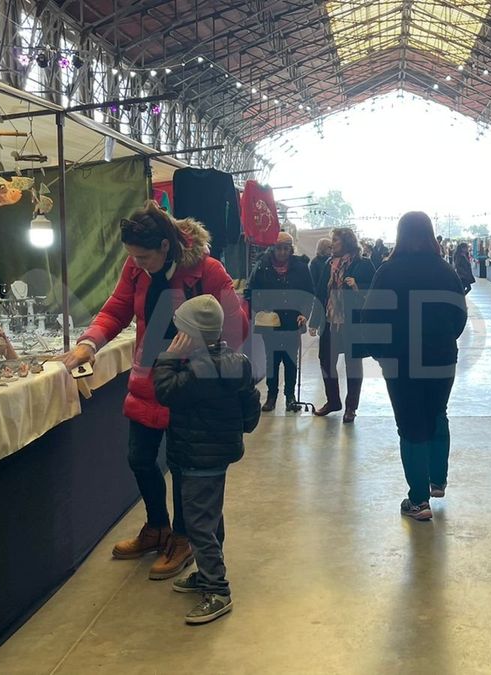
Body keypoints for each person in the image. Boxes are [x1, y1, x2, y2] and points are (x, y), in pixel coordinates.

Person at [62, 201, 248, 581]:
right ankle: (156, 527)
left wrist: (204, 336)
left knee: (183, 467)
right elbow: (116, 309)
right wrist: (89, 343)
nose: (136, 263)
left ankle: (183, 538)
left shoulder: (208, 271)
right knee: (140, 458)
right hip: (148, 380)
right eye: (132, 257)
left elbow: (237, 329)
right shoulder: (136, 267)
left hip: (188, 387)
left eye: (143, 256)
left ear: (166, 246)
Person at [153, 294, 261, 625]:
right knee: (210, 517)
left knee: (199, 524)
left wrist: (169, 357)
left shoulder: (198, 369)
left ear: (192, 336)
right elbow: (250, 401)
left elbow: (165, 391)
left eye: (180, 331)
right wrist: (242, 428)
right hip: (214, 453)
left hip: (199, 455)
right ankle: (206, 573)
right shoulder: (235, 360)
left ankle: (217, 589)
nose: (175, 336)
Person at [358, 212, 467, 521]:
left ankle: (418, 501)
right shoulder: (446, 271)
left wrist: (381, 353)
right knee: (436, 413)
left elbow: (369, 317)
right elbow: (460, 316)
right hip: (441, 357)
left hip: (400, 358)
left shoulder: (388, 271)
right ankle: (438, 480)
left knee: (410, 424)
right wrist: (444, 339)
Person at [310, 227, 375, 422]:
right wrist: (314, 321)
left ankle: (351, 407)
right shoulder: (329, 264)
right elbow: (320, 294)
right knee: (325, 360)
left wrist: (357, 286)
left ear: (346, 242)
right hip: (330, 321)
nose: (332, 245)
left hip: (352, 323)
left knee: (352, 364)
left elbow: (375, 293)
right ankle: (333, 401)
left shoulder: (363, 264)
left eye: (336, 241)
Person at [245, 231, 315, 412]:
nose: (282, 252)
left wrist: (304, 314)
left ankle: (290, 396)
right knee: (272, 360)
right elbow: (249, 291)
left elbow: (309, 294)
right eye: (279, 248)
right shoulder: (261, 266)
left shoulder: (300, 267)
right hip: (270, 323)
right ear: (273, 248)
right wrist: (260, 309)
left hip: (293, 321)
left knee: (290, 360)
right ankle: (271, 396)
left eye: (286, 248)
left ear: (291, 249)